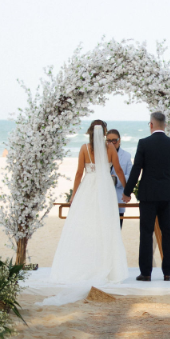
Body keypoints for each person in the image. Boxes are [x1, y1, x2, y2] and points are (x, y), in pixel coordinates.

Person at [50, 121, 129, 285]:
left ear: (90, 132)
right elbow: (119, 170)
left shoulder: (84, 149)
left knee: (85, 225)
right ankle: (105, 266)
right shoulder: (110, 148)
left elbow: (79, 173)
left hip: (88, 187)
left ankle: (85, 263)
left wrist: (73, 196)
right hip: (105, 188)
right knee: (105, 226)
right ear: (104, 133)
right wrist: (127, 190)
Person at [122, 111, 170, 282]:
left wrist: (127, 192)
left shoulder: (144, 143)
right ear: (165, 125)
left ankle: (146, 273)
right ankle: (168, 273)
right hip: (167, 196)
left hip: (148, 196)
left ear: (151, 124)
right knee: (168, 233)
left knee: (146, 233)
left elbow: (136, 170)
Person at [106, 129, 133, 225]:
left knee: (117, 230)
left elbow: (130, 177)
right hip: (103, 198)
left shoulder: (126, 156)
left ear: (119, 140)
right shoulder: (101, 155)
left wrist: (116, 179)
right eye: (109, 140)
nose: (112, 143)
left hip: (118, 198)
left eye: (114, 140)